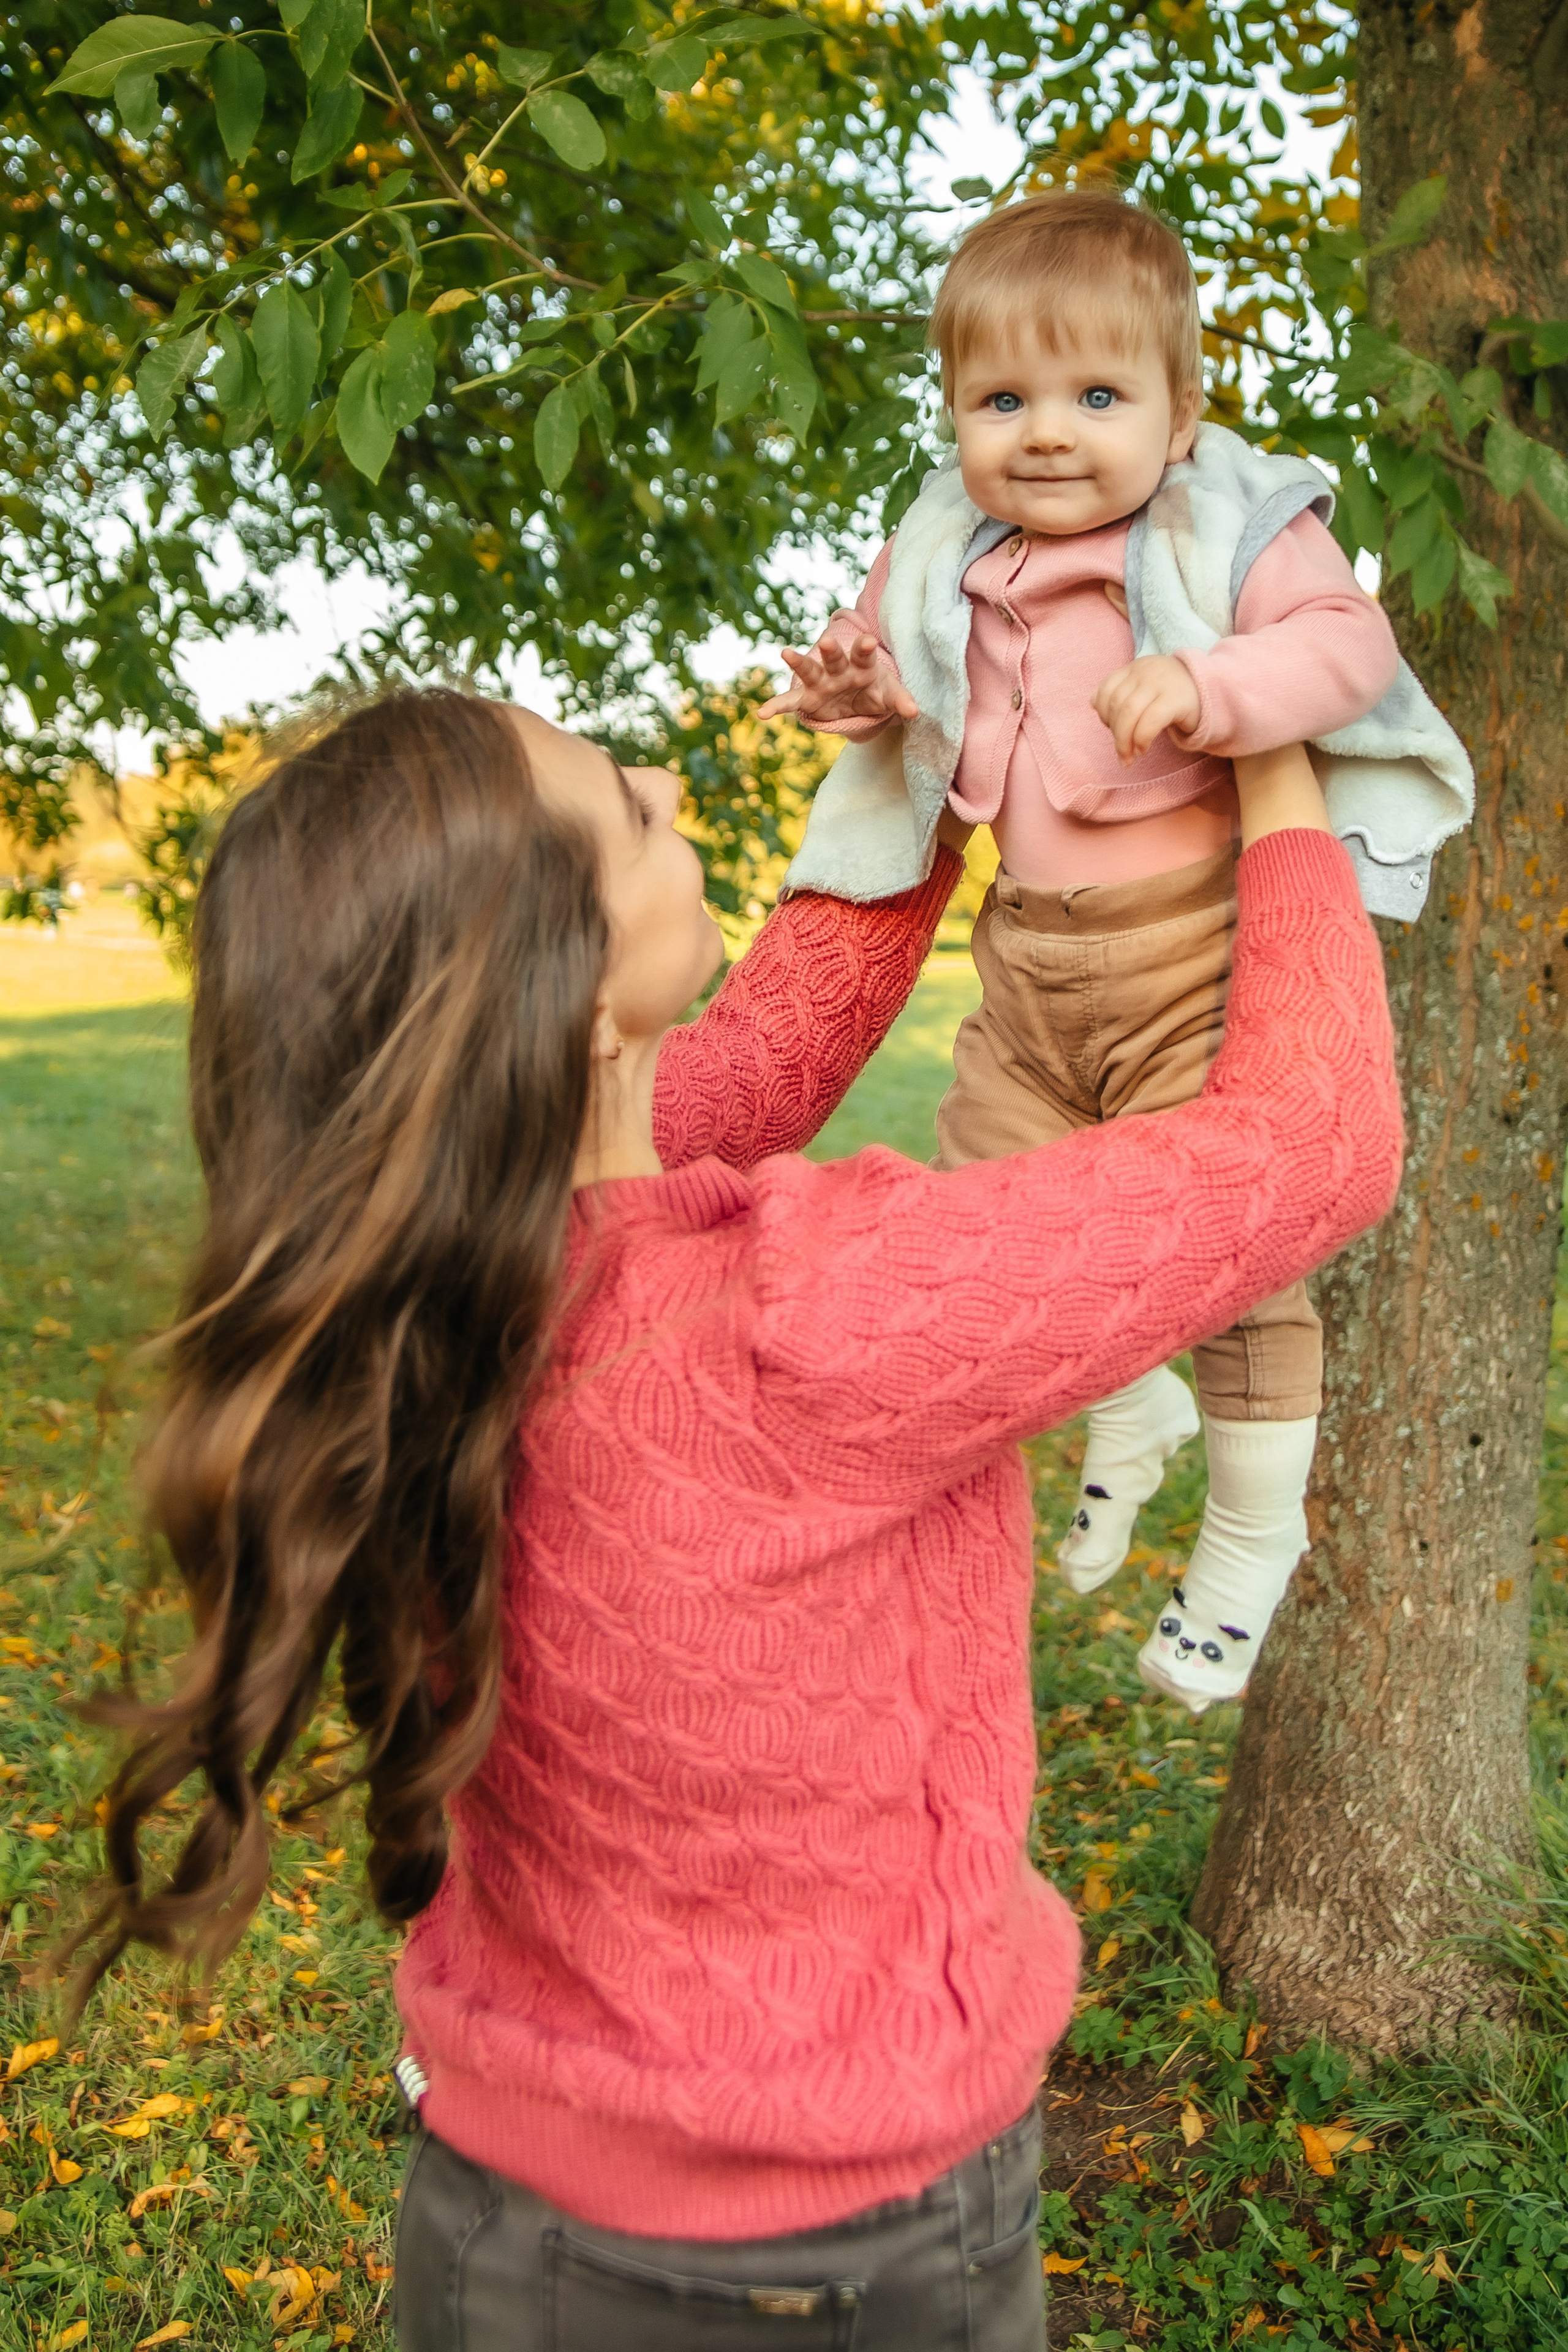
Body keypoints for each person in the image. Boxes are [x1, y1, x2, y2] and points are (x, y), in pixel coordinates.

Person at [79, 689, 1400, 2350]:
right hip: (830, 2262)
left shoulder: (432, 1272)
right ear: (559, 1008)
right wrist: (1278, 755)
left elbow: (769, 1048)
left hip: (494, 2219)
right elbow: (1313, 1143)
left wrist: (941, 747)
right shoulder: (817, 1316)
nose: (664, 775)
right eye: (626, 812)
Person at [760, 186, 1468, 1713]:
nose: (1047, 434)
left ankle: (1246, 1540)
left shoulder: (1224, 521)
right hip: (1026, 961)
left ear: (1178, 406)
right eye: (1000, 400)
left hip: (1189, 957)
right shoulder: (944, 542)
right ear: (952, 412)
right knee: (1001, 1208)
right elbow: (882, 658)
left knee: (1224, 1247)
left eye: (1095, 396)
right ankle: (1122, 1404)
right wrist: (853, 690)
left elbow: (1349, 650)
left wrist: (1212, 688)